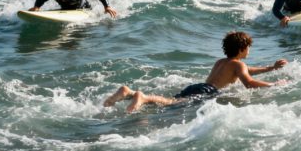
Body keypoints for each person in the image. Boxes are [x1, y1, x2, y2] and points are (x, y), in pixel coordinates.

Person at [103, 31, 287, 112]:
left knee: (171, 101)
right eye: (248, 48)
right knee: (170, 103)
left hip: (200, 86)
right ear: (241, 49)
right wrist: (273, 84)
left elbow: (247, 71)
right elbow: (248, 82)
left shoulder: (222, 62)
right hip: (207, 92)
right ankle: (143, 97)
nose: (249, 51)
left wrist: (270, 68)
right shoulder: (239, 66)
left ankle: (129, 93)